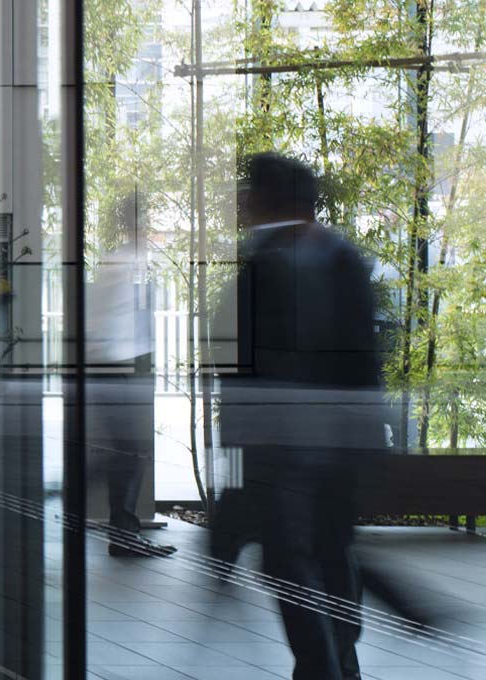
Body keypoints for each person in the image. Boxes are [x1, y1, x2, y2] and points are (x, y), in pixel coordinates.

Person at [213, 152, 384, 679]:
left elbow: (233, 362)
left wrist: (235, 450)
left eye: (248, 192)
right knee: (335, 550)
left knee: (289, 560)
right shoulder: (345, 257)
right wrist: (371, 436)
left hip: (279, 445)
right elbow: (367, 355)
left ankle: (320, 666)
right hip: (340, 440)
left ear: (265, 199)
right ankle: (342, 658)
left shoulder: (260, 262)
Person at [85, 194, 175, 557]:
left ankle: (121, 531)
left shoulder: (124, 259)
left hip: (119, 366)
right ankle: (116, 528)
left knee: (129, 451)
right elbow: (112, 321)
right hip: (119, 367)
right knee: (131, 451)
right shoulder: (126, 262)